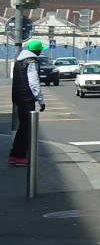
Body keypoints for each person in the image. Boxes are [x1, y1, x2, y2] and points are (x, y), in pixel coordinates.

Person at [9, 38, 46, 166]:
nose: (41, 51)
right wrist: (41, 100)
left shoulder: (19, 61)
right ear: (37, 50)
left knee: (22, 127)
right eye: (41, 49)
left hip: (18, 98)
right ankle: (20, 156)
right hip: (27, 99)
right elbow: (34, 82)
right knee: (27, 128)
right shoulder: (32, 62)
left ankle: (14, 155)